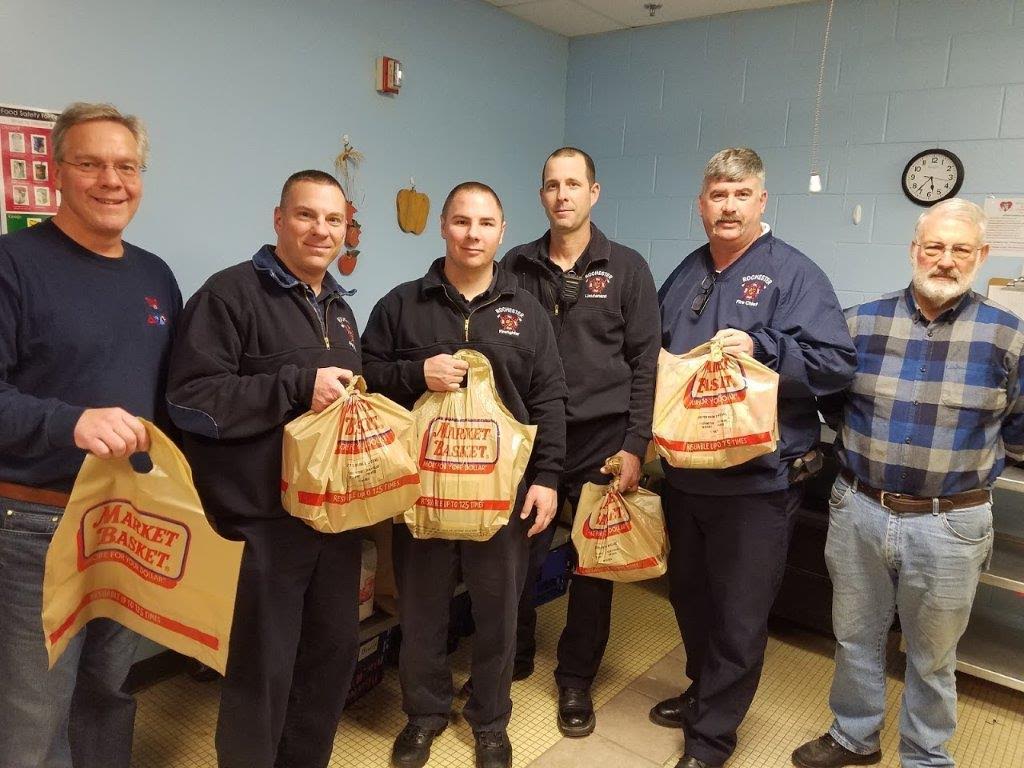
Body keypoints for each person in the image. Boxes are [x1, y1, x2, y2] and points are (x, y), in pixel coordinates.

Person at [792, 198, 1022, 768]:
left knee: (933, 655)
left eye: (960, 250)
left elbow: (1018, 431)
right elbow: (833, 402)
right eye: (934, 247)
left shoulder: (1009, 337)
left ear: (981, 255)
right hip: (860, 510)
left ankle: (924, 755)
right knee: (855, 635)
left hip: (951, 522)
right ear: (914, 251)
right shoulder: (858, 323)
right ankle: (854, 736)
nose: (945, 260)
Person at [654, 147, 857, 768]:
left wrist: (763, 346)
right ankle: (702, 692)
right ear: (701, 204)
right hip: (686, 477)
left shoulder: (794, 274)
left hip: (757, 484)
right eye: (718, 194)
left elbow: (835, 365)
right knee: (690, 599)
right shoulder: (687, 272)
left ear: (761, 202)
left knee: (739, 616)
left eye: (742, 195)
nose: (729, 205)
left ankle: (712, 736)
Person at [0, 102, 181, 768]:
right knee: (32, 710)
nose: (112, 180)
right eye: (91, 164)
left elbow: (173, 400)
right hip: (33, 525)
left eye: (126, 166)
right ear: (57, 173)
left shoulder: (155, 275)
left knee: (109, 691)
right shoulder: (12, 264)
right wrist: (71, 421)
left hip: (130, 522)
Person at [361, 181, 566, 768]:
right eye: (460, 221)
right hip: (422, 491)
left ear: (502, 232)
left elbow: (550, 397)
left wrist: (548, 477)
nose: (472, 234)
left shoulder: (527, 312)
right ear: (443, 227)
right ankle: (423, 715)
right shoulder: (402, 304)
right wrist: (413, 374)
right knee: (422, 610)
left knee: (498, 614)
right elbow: (367, 375)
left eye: (484, 223)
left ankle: (489, 720)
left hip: (504, 495)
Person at [166, 170, 362, 768]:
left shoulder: (339, 307)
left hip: (333, 521)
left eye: (333, 220)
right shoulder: (228, 296)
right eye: (306, 215)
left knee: (330, 661)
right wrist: (297, 386)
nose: (321, 230)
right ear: (278, 219)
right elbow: (191, 400)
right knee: (262, 675)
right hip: (261, 526)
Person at [500, 146, 659, 736]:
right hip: (532, 439)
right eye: (551, 185)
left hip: (602, 440)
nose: (562, 195)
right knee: (516, 553)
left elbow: (646, 364)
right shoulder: (514, 264)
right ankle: (513, 654)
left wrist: (636, 445)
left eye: (573, 184)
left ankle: (575, 680)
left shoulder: (627, 268)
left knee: (592, 567)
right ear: (541, 196)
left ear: (594, 193)